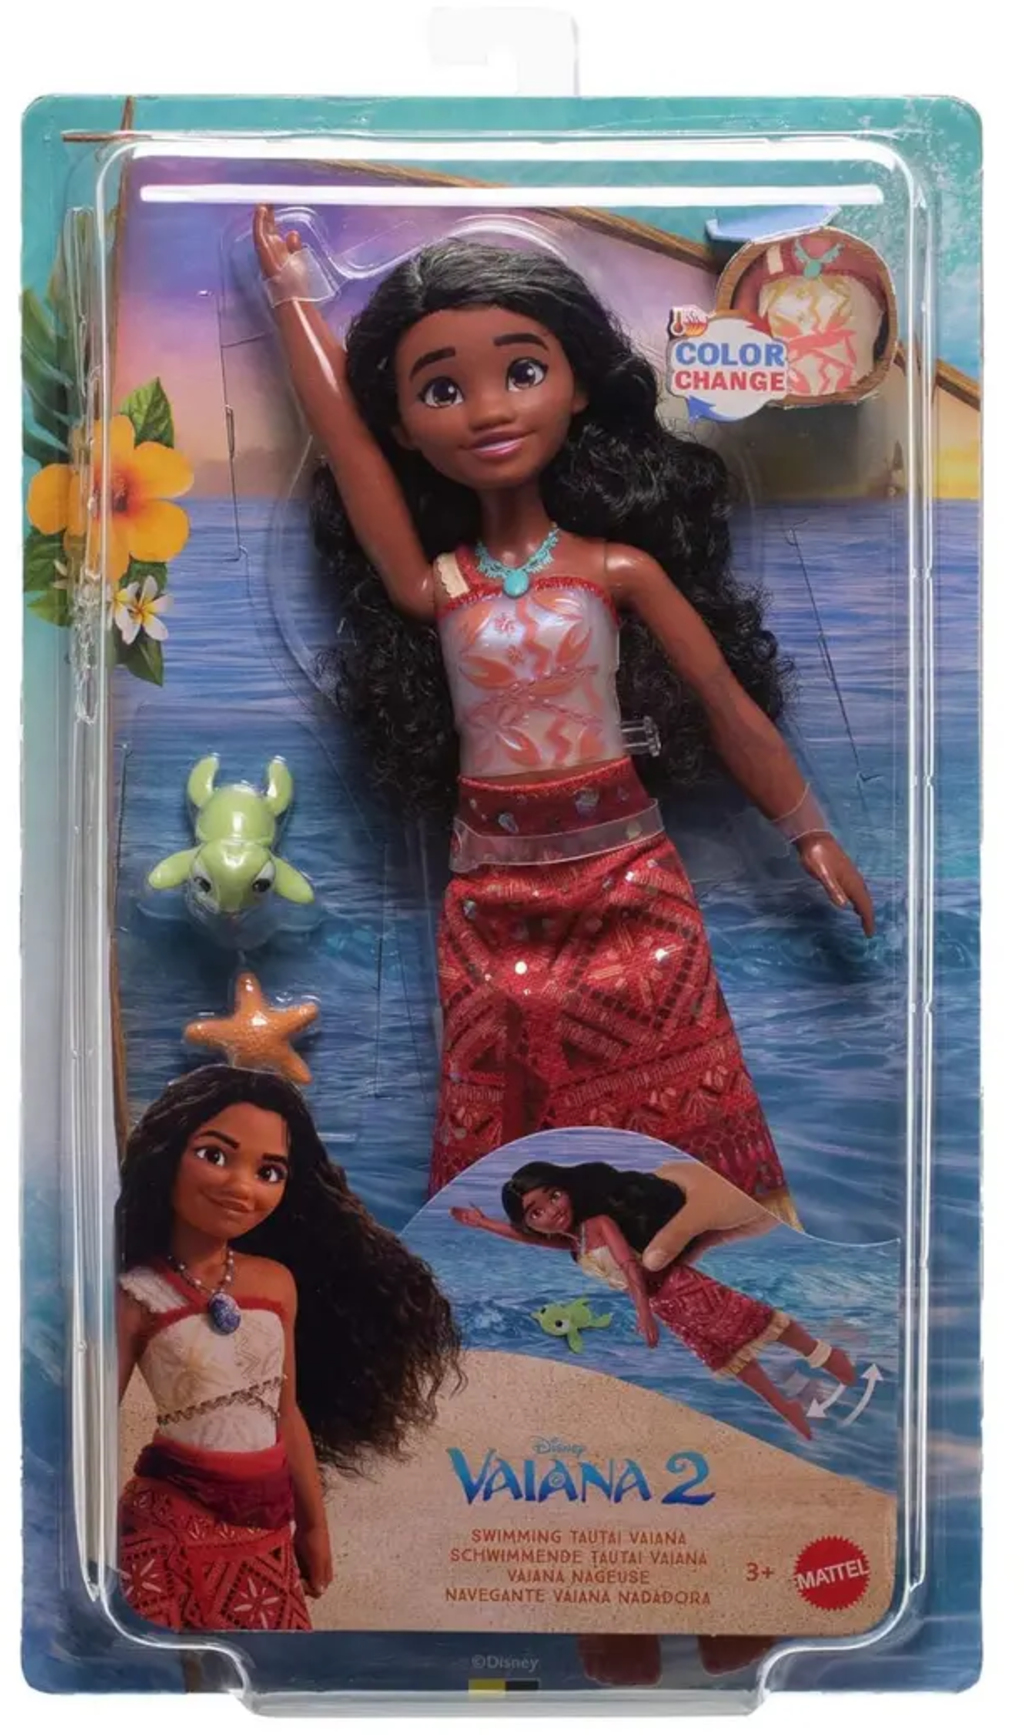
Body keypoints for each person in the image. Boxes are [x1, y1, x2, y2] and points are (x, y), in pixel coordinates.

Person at [252, 214, 873, 1226]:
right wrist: (290, 295)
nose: (489, 409)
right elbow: (345, 443)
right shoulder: (437, 584)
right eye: (441, 390)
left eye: (523, 372)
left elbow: (724, 703)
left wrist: (809, 830)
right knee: (508, 1118)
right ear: (404, 424)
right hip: (492, 894)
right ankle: (516, 1287)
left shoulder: (617, 569)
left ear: (577, 384)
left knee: (685, 1088)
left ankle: (727, 1263)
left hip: (630, 878)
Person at [117, 1065, 460, 1632]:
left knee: (270, 1665)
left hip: (266, 1524)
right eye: (214, 1155)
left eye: (269, 1171)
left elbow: (285, 1410)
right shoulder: (137, 1294)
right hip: (171, 1522)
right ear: (167, 1155)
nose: (242, 1187)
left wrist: (315, 1525)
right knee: (171, 1668)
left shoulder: (275, 1283)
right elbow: (88, 1428)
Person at [453, 1160, 855, 1439]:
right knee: (727, 1354)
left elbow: (629, 1267)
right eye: (536, 1213)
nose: (551, 1212)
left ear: (567, 1189)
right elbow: (531, 1240)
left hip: (678, 1286)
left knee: (755, 1321)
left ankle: (825, 1355)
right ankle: (784, 1406)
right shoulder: (574, 1242)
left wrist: (643, 1313)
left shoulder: (598, 1223)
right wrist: (484, 1223)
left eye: (553, 1196)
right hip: (669, 1307)